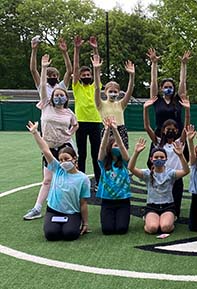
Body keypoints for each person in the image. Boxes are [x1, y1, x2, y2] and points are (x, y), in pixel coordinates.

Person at [23, 54, 79, 220]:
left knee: (68, 177)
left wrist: (71, 133)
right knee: (47, 179)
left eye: (62, 95)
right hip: (48, 148)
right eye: (56, 95)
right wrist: (44, 67)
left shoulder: (69, 112)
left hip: (65, 147)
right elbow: (41, 83)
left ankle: (72, 206)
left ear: (66, 97)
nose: (59, 97)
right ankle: (37, 208)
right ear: (52, 97)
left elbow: (76, 124)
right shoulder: (46, 105)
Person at [27, 121, 90, 241]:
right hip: (53, 210)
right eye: (60, 160)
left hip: (72, 212)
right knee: (51, 234)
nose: (63, 162)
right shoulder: (57, 169)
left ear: (75, 159)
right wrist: (35, 133)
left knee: (70, 234)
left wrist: (85, 223)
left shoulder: (83, 178)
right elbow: (46, 150)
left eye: (66, 159)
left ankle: (72, 224)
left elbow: (83, 203)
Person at [128, 138, 190, 234]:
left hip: (168, 206)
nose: (159, 159)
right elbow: (131, 168)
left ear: (166, 159)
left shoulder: (171, 173)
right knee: (153, 228)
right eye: (156, 157)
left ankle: (171, 218)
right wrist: (136, 152)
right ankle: (148, 219)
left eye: (162, 157)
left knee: (165, 227)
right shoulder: (147, 174)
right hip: (152, 207)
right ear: (151, 159)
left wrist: (181, 155)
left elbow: (186, 171)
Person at [143, 93, 190, 216]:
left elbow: (186, 127)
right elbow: (147, 127)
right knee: (161, 203)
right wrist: (145, 109)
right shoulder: (158, 142)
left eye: (173, 129)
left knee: (176, 211)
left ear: (177, 130)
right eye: (168, 128)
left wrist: (187, 110)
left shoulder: (180, 142)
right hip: (161, 177)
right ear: (163, 130)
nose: (171, 131)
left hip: (176, 177)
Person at [72, 35, 102, 186]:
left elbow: (97, 66)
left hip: (96, 122)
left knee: (96, 154)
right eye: (83, 75)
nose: (86, 76)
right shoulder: (77, 87)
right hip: (81, 123)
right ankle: (82, 181)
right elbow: (75, 68)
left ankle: (98, 181)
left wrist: (94, 48)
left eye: (88, 75)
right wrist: (77, 49)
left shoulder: (95, 86)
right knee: (81, 154)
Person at [95, 117, 131, 235]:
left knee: (121, 229)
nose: (116, 147)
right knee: (107, 230)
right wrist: (106, 131)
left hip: (123, 201)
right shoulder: (103, 162)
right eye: (113, 145)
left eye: (117, 146)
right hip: (107, 201)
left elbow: (121, 145)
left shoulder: (125, 162)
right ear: (109, 148)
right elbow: (101, 146)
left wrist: (115, 130)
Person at [92, 54, 135, 148]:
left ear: (119, 93)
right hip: (108, 130)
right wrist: (96, 70)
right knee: (107, 155)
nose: (113, 93)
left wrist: (132, 75)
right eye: (110, 91)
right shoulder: (100, 104)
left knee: (122, 155)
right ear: (106, 92)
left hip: (121, 130)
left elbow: (130, 90)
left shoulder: (121, 104)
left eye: (115, 91)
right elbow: (96, 89)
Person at [146, 48, 190, 138]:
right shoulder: (157, 100)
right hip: (160, 136)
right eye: (166, 87)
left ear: (174, 89)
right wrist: (154, 64)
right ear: (161, 88)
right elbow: (153, 81)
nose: (168, 89)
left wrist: (183, 64)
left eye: (170, 87)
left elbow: (183, 81)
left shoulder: (178, 100)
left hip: (177, 136)